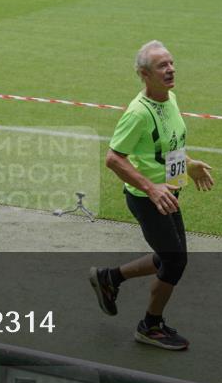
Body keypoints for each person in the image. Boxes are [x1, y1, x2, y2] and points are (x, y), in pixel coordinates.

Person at [89, 40, 214, 350]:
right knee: (175, 261)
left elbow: (166, 146)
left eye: (171, 63)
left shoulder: (169, 99)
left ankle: (110, 278)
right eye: (162, 65)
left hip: (168, 193)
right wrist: (151, 187)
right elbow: (114, 159)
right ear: (144, 74)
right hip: (148, 199)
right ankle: (150, 326)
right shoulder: (137, 114)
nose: (170, 69)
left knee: (167, 254)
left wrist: (190, 165)